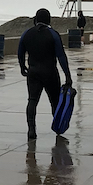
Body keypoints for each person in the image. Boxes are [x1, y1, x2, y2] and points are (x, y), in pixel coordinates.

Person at [18, 8, 73, 140]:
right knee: (55, 102)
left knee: (32, 101)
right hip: (50, 73)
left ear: (36, 19)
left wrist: (22, 67)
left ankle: (31, 129)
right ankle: (58, 127)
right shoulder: (53, 34)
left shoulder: (27, 33)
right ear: (49, 20)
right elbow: (61, 56)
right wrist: (68, 76)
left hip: (33, 72)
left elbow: (20, 52)